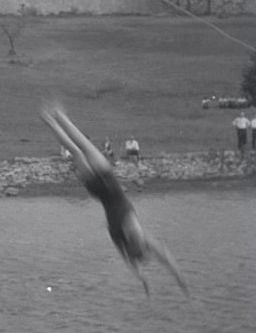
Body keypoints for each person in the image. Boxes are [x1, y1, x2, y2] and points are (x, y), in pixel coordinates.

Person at [40, 104, 188, 297]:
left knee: (83, 145)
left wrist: (181, 282)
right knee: (76, 151)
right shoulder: (119, 239)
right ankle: (50, 120)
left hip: (108, 180)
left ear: (141, 247)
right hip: (96, 190)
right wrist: (145, 281)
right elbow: (135, 265)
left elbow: (167, 260)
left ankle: (59, 116)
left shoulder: (140, 234)